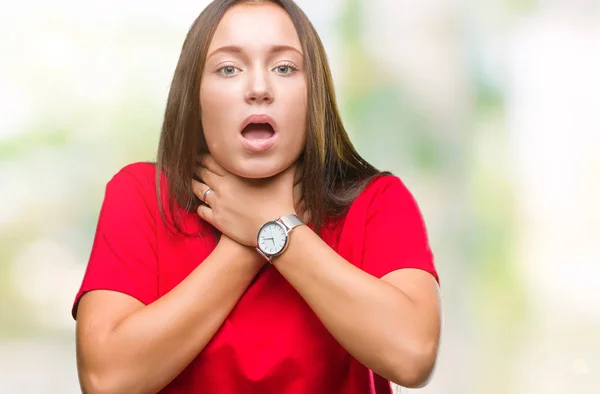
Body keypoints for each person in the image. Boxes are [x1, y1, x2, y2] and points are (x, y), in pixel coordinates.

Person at [72, 0, 442, 393]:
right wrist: (246, 242)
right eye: (228, 69)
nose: (260, 89)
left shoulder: (376, 202)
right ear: (194, 95)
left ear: (313, 93)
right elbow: (106, 380)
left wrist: (276, 228)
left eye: (284, 68)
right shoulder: (141, 195)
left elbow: (413, 355)